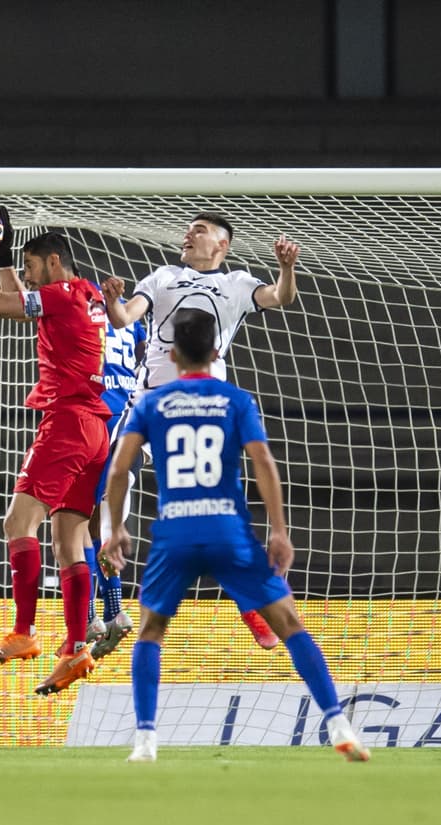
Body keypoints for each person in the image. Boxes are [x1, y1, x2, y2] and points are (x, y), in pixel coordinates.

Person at [102, 309, 369, 763]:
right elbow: (263, 462)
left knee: (150, 631)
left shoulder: (151, 403)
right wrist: (280, 531)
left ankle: (145, 739)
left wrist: (115, 529)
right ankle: (338, 723)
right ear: (216, 352)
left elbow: (119, 469)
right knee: (289, 624)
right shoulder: (236, 400)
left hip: (176, 531)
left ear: (171, 353)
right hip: (228, 527)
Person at [101, 213, 299, 651]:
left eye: (200, 230)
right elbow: (122, 318)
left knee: (217, 509)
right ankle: (111, 565)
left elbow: (279, 296)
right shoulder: (163, 276)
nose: (188, 234)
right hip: (149, 400)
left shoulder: (237, 284)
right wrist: (113, 299)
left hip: (202, 407)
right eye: (188, 229)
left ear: (222, 246)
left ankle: (253, 601)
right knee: (115, 470)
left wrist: (286, 268)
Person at [0, 206, 108, 695]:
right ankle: (76, 647)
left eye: (30, 267)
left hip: (65, 422)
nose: (25, 275)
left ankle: (23, 634)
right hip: (96, 430)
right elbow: (17, 296)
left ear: (55, 263)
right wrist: (2, 254)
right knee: (69, 542)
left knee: (18, 524)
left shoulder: (60, 295)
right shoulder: (88, 294)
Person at [82, 305, 148, 660]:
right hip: (132, 422)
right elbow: (144, 351)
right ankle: (112, 610)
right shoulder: (131, 318)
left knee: (74, 521)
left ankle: (90, 615)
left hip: (98, 420)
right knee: (102, 522)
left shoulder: (79, 308)